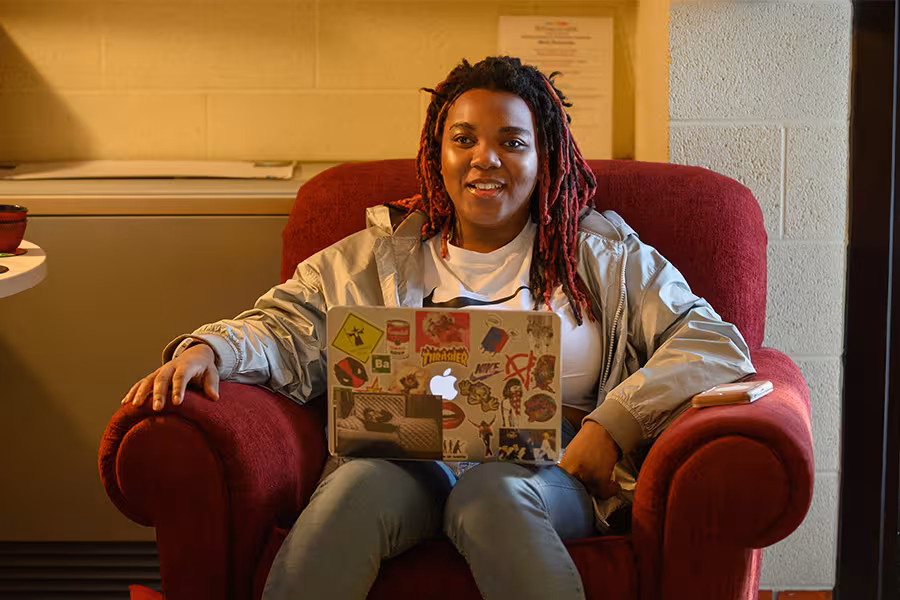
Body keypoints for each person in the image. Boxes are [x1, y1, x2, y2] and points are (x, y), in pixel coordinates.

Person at [120, 56, 755, 599]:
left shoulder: (605, 257)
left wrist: (611, 426)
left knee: (493, 499)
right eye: (465, 139)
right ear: (438, 151)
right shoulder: (375, 255)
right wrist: (211, 347)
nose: (486, 160)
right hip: (405, 453)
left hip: (546, 465)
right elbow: (285, 324)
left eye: (512, 141)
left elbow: (714, 342)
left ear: (546, 158)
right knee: (349, 494)